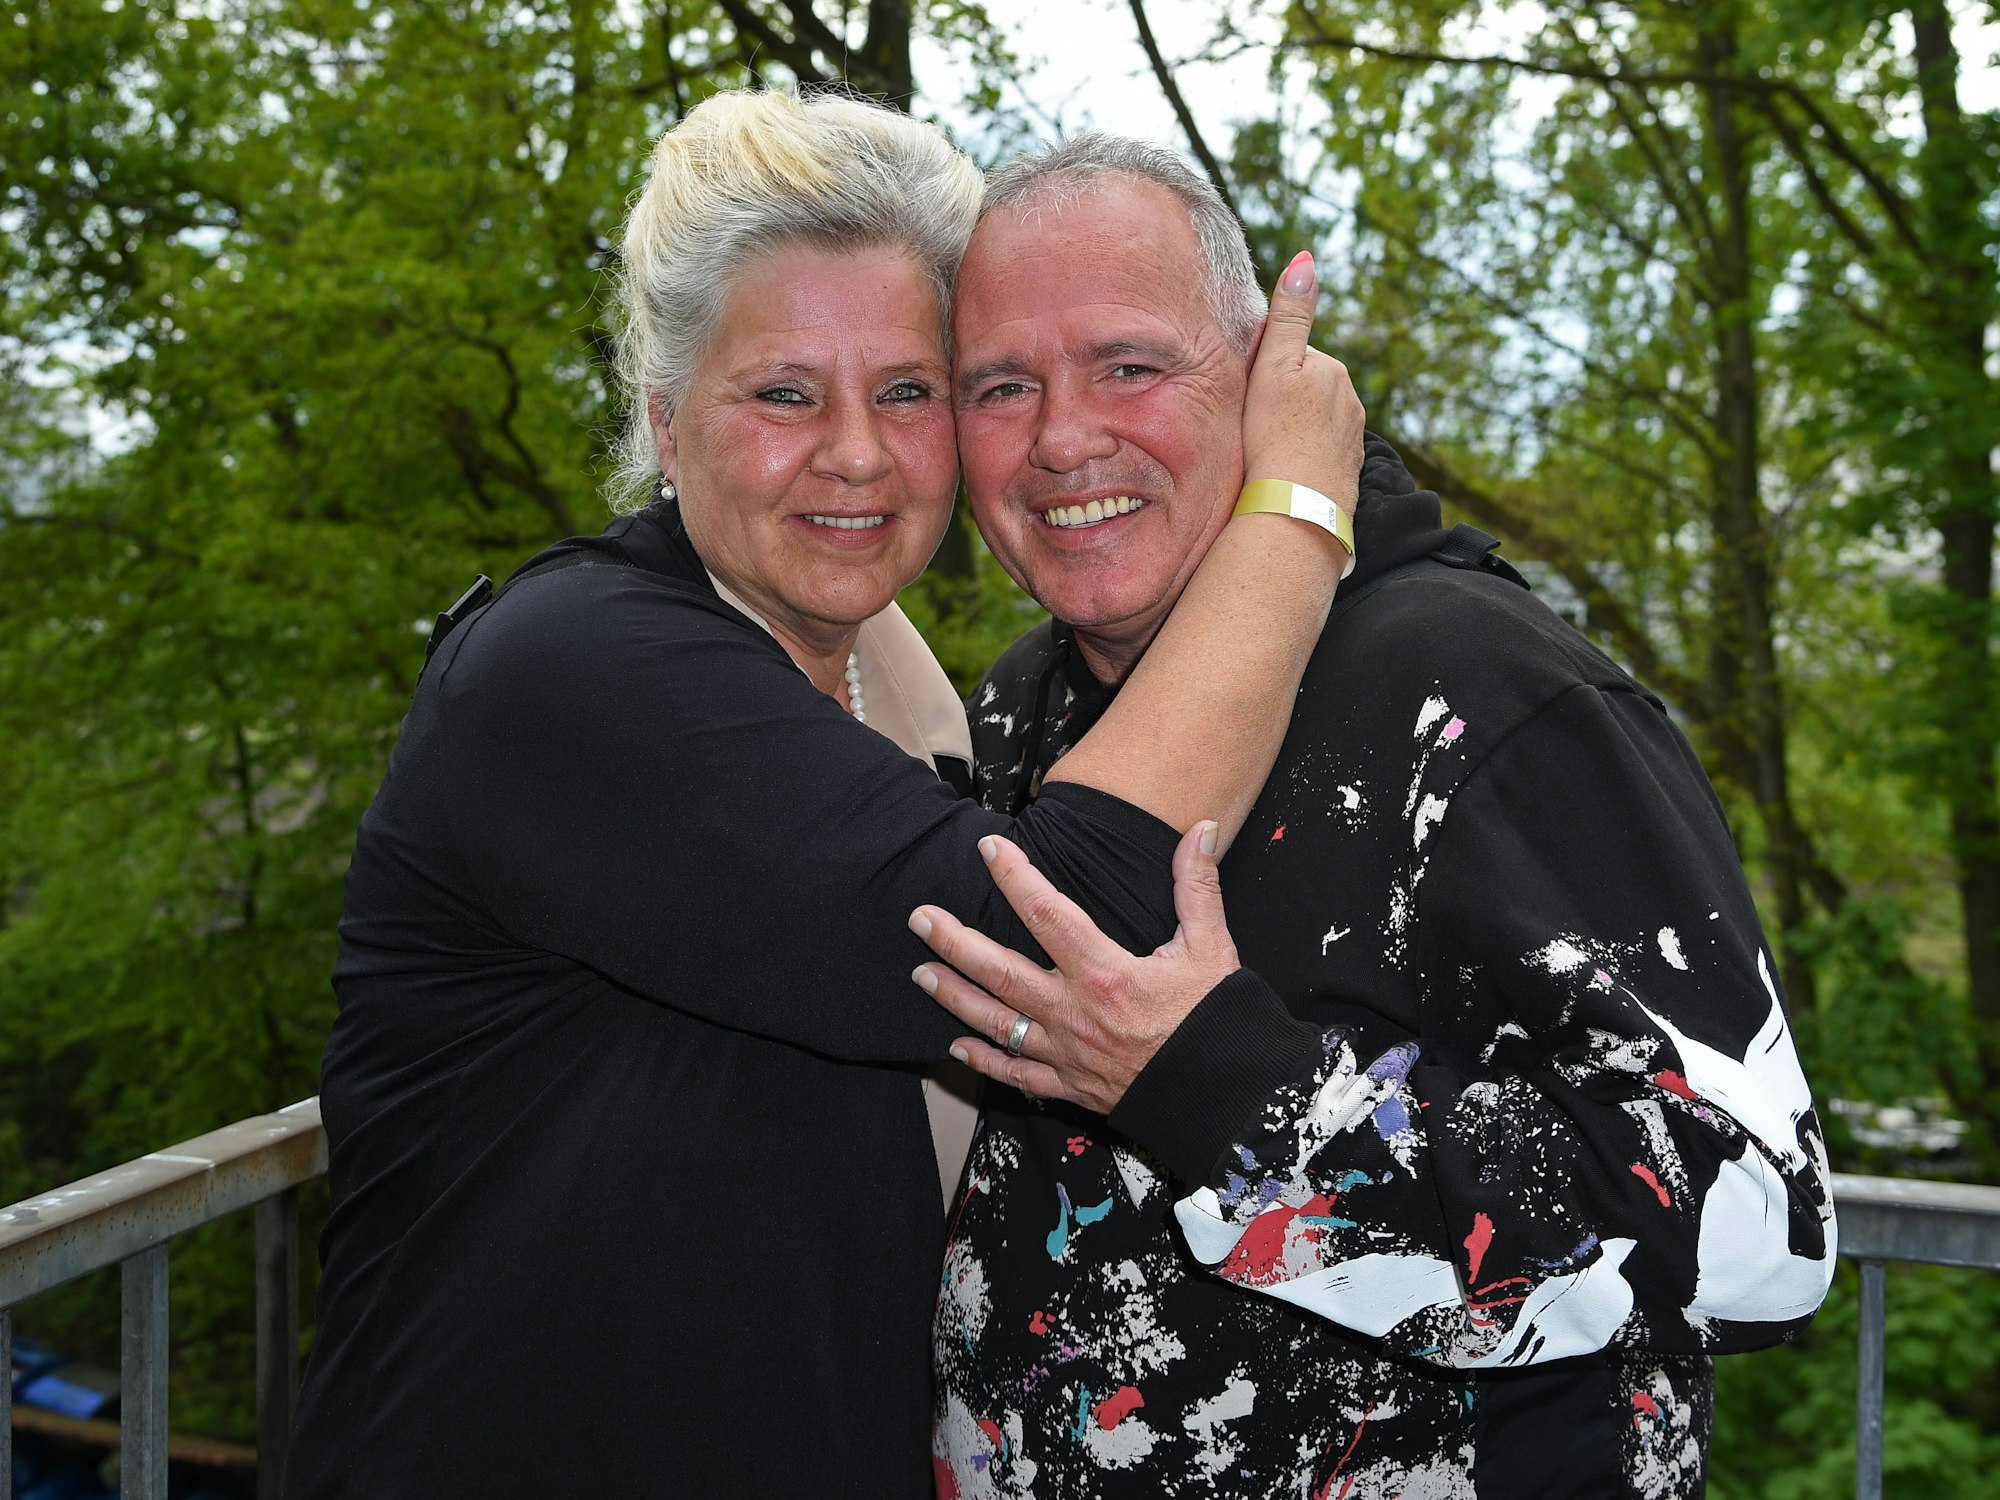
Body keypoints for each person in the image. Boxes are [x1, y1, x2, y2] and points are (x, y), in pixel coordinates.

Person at [285, 94, 1367, 1500]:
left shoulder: (901, 695)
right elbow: (1048, 941)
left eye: (910, 391)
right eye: (785, 393)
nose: (856, 452)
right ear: (668, 424)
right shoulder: (578, 668)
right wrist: (1296, 511)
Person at [914, 134, 1838, 1499]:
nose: (1061, 439)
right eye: (1002, 385)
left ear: (1270, 372)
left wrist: (1233, 1094)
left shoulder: (1481, 695)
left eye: (1129, 366)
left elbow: (1763, 1228)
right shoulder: (1013, 718)